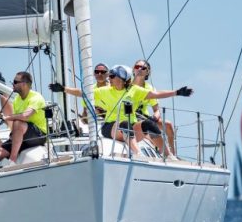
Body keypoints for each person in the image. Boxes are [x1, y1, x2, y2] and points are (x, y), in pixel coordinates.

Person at [51, 65, 193, 156]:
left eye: (112, 76)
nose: (109, 79)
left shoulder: (134, 90)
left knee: (150, 125)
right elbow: (82, 92)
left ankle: (169, 156)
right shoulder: (105, 91)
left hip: (130, 128)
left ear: (123, 78)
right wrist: (64, 89)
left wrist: (177, 92)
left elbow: (156, 95)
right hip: (110, 128)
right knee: (125, 125)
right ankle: (138, 155)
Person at [131, 59, 177, 158]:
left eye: (143, 68)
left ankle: (173, 154)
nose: (139, 69)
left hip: (145, 117)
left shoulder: (150, 88)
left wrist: (154, 118)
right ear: (133, 70)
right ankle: (163, 151)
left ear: (148, 71)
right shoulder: (127, 85)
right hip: (131, 117)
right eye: (137, 67)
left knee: (168, 125)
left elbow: (157, 110)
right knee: (148, 135)